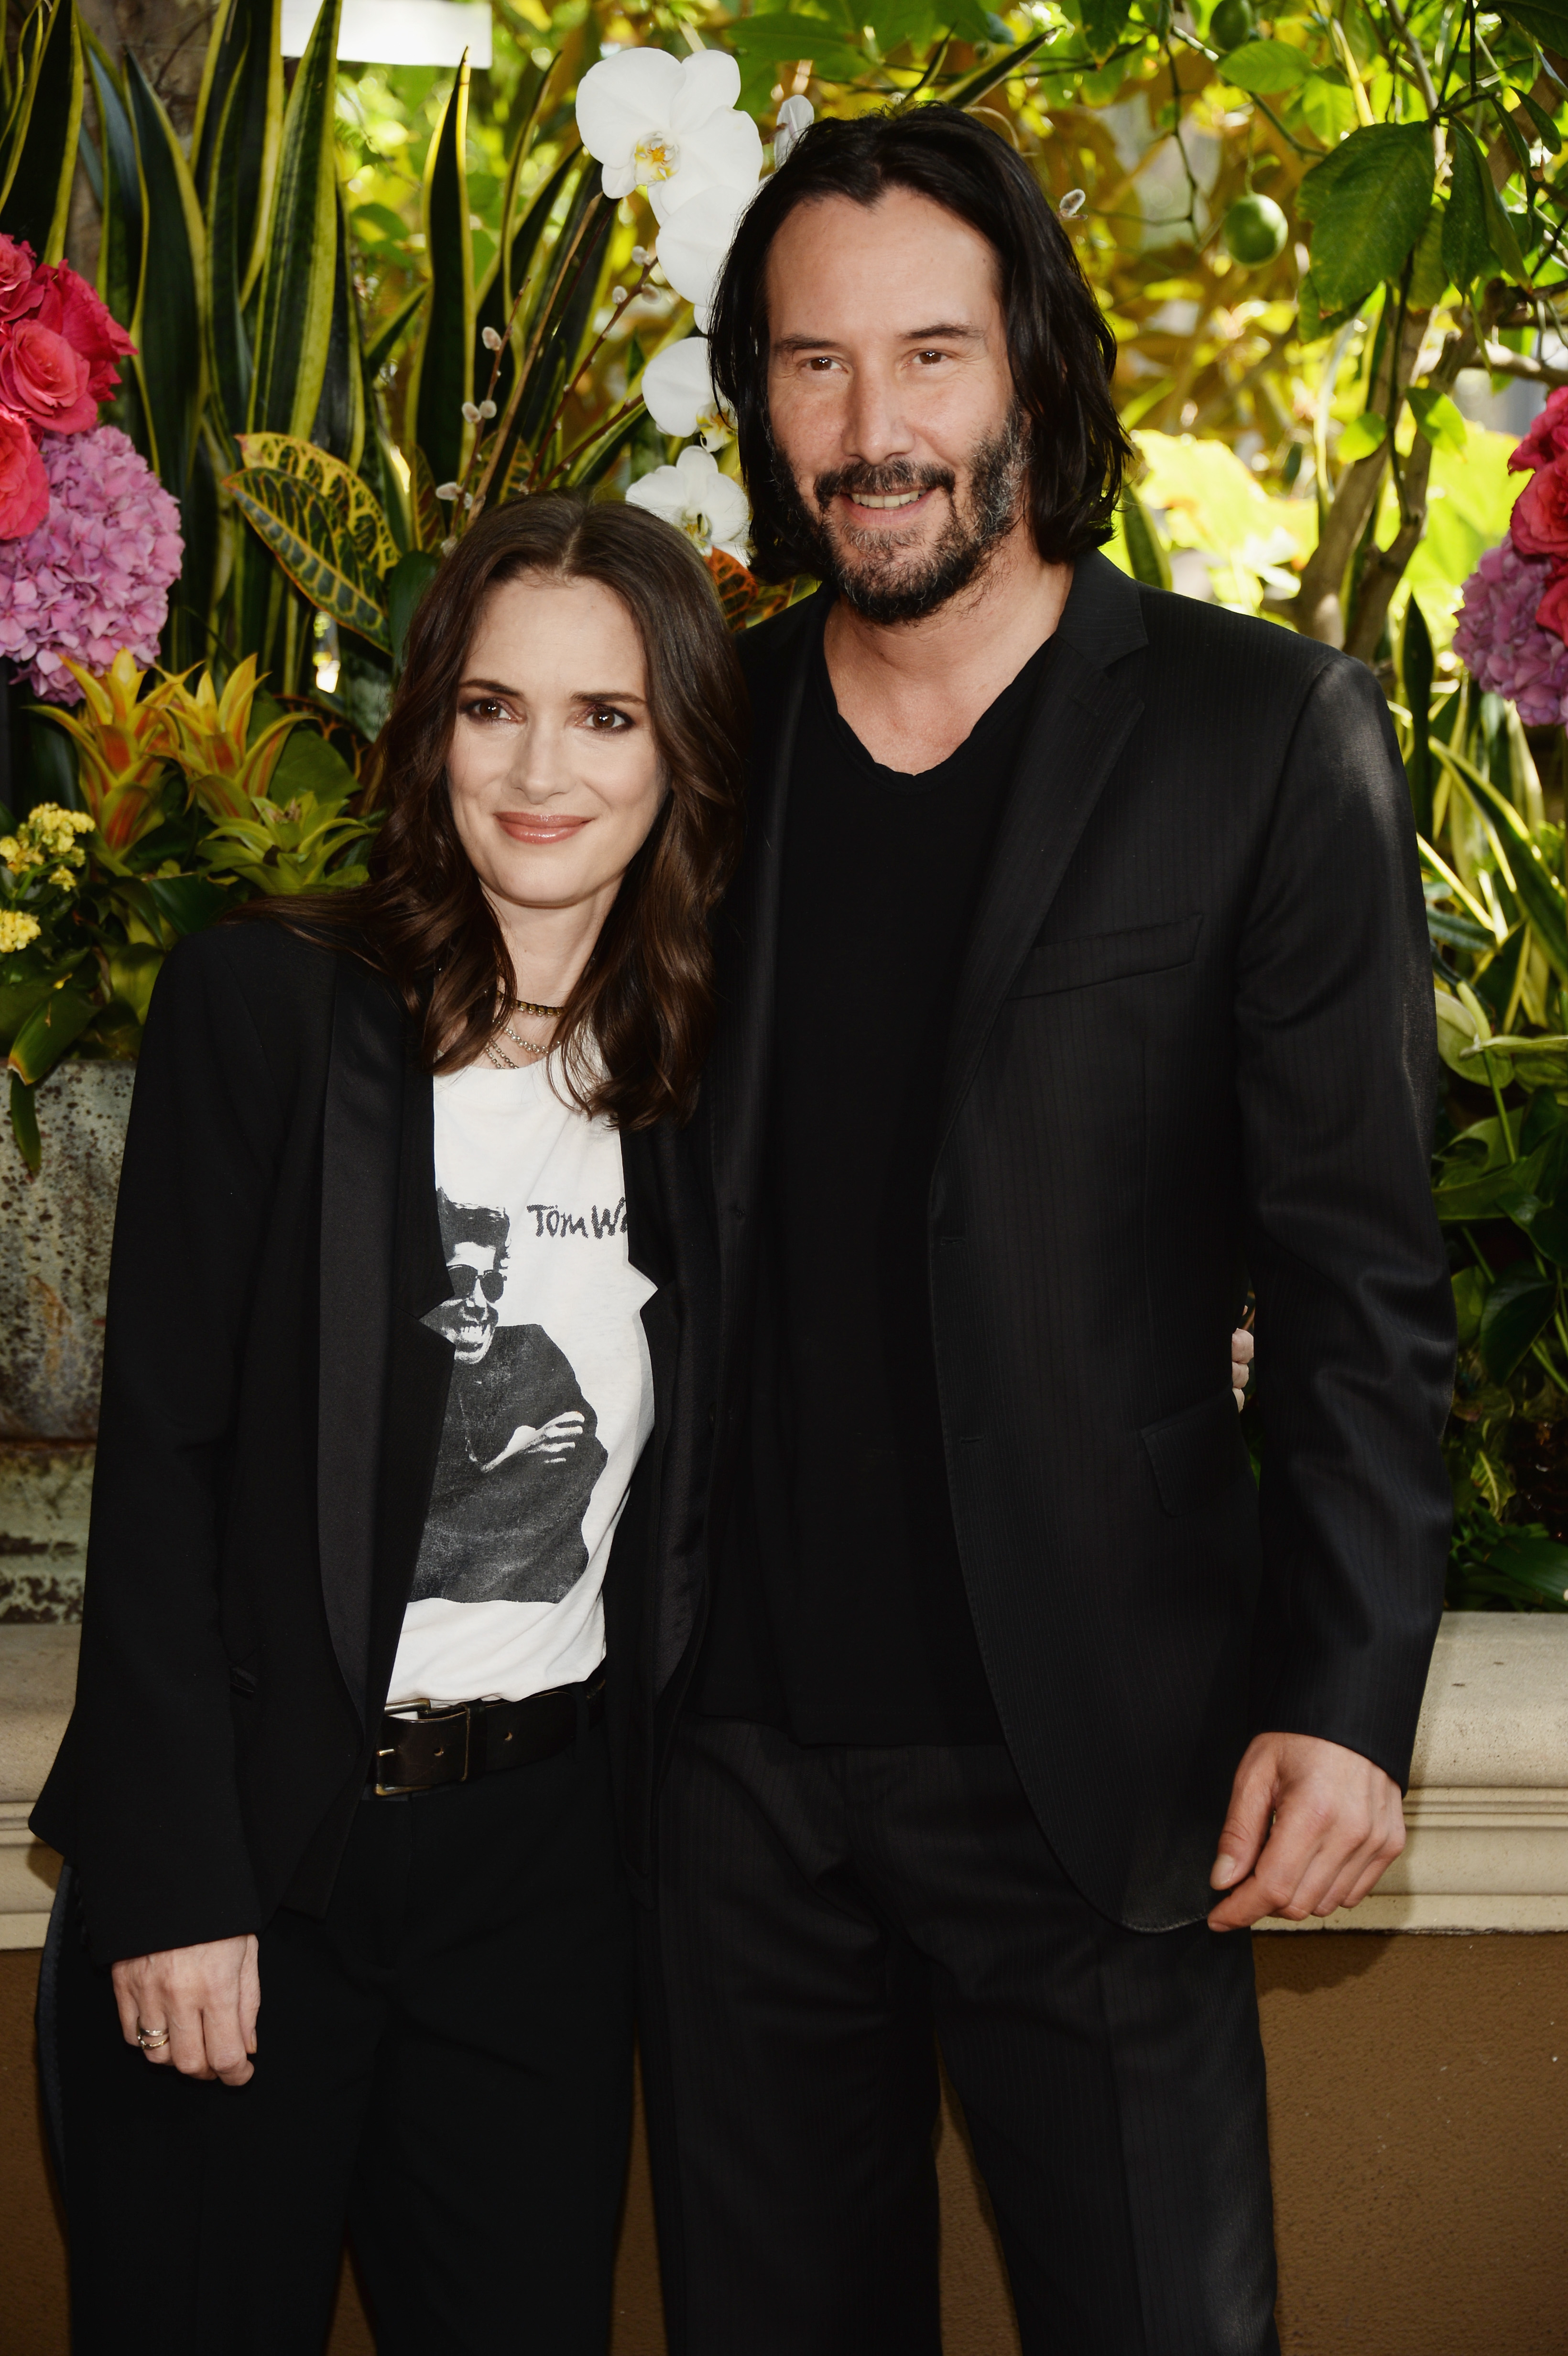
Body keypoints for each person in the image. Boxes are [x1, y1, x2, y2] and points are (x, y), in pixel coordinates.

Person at [630, 106, 1458, 2356]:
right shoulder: (693, 747)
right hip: (738, 1782)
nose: (872, 429)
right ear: (758, 396)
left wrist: (1346, 1691)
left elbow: (1363, 1269)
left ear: (1029, 373)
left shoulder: (1256, 734)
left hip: (1106, 1768)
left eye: (929, 356)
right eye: (812, 365)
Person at [30, 493, 745, 2355]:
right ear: (429, 724)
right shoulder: (267, 1007)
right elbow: (166, 1464)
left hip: (541, 1879)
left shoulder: (693, 1076)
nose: (539, 766)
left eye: (604, 715)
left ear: (678, 748)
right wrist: (181, 1881)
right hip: (261, 1850)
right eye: (492, 704)